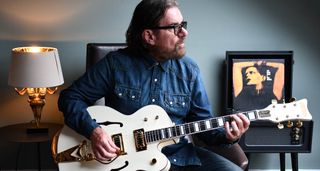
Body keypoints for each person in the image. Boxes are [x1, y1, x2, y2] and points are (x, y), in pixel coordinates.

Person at [58, 0, 250, 170]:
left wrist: (230, 135)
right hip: (127, 161)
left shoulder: (189, 70)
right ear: (149, 36)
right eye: (175, 27)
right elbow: (70, 98)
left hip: (179, 157)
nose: (184, 33)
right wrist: (95, 132)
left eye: (183, 24)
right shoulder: (116, 64)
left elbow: (206, 128)